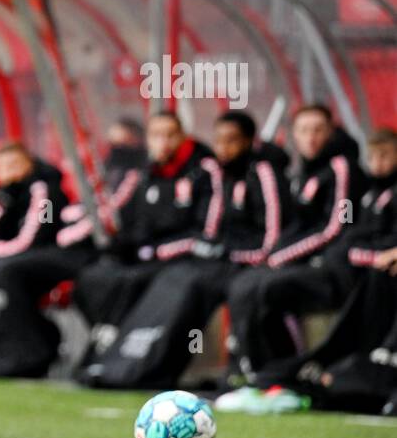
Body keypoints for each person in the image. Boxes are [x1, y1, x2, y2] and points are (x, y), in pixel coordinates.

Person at [70, 111, 219, 386]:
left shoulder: (204, 171)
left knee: (138, 281)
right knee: (96, 276)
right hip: (148, 256)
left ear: (182, 137)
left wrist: (156, 251)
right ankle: (104, 351)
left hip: (185, 260)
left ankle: (136, 364)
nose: (163, 142)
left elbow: (207, 232)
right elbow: (132, 224)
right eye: (156, 135)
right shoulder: (146, 174)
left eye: (170, 135)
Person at [226, 105, 360, 385]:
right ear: (293, 136)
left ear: (331, 132)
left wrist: (280, 258)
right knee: (246, 283)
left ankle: (280, 372)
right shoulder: (302, 173)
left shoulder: (341, 166)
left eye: (318, 130)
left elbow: (335, 227)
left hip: (335, 269)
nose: (311, 138)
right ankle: (257, 369)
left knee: (267, 287)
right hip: (306, 264)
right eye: (304, 131)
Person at [0, 142, 89, 378]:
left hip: (56, 255)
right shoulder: (6, 197)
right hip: (20, 258)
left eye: (13, 165)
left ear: (27, 164)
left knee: (3, 268)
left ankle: (18, 352)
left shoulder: (45, 191)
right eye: (1, 167)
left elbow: (40, 233)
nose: (7, 172)